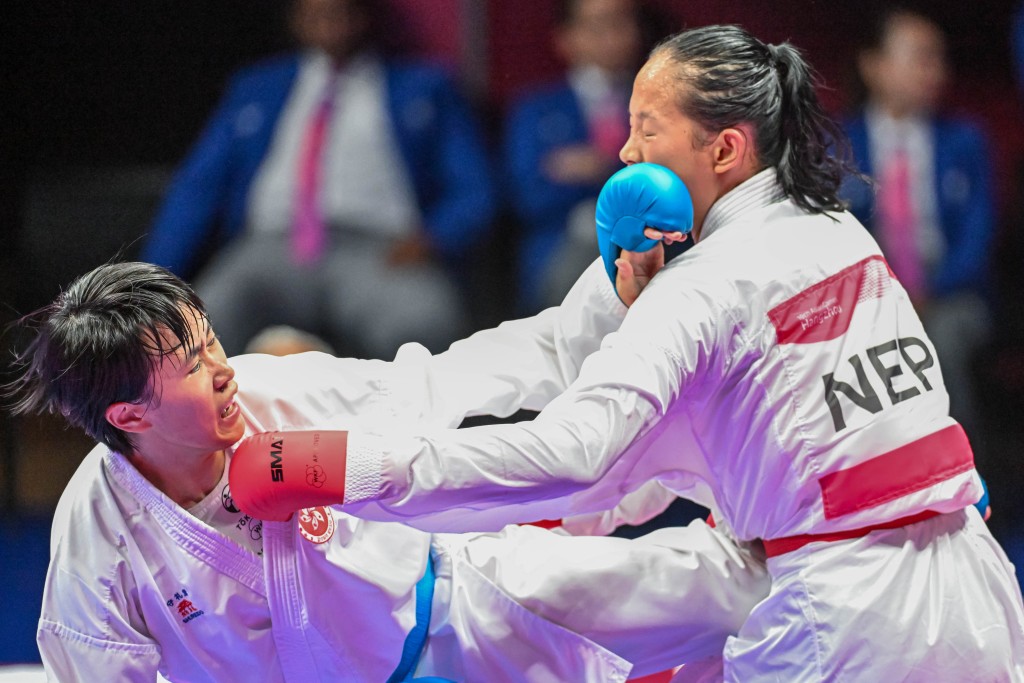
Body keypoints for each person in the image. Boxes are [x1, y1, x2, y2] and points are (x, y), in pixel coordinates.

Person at [233, 25, 1024, 681]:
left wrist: (342, 466)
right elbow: (709, 432)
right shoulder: (841, 233)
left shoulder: (706, 282)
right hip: (976, 589)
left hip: (849, 619)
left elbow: (573, 453)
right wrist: (632, 313)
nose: (625, 153)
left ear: (724, 150)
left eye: (648, 128)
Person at [6, 260, 769, 682]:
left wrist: (605, 300)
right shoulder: (98, 540)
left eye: (212, 342)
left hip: (465, 608)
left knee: (733, 592)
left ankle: (793, 505)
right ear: (129, 415)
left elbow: (442, 381)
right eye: (191, 364)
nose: (223, 369)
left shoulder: (279, 395)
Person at [141, 0, 495, 360]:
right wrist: (152, 277)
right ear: (295, 19)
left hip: (378, 249)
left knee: (423, 327)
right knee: (191, 331)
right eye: (314, 11)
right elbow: (198, 187)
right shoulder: (256, 88)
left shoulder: (423, 87)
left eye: (340, 10)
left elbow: (474, 188)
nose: (329, 20)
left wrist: (435, 237)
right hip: (271, 246)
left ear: (364, 16)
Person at [840, 7, 995, 440]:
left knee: (938, 339)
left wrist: (927, 292)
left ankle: (961, 476)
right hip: (866, 298)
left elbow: (977, 236)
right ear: (874, 66)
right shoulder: (837, 144)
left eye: (939, 58)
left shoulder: (965, 139)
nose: (936, 72)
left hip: (950, 294)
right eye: (921, 57)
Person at [503, 0, 647, 312]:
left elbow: (675, 187)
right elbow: (527, 196)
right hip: (559, 252)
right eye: (596, 26)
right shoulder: (535, 109)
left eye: (620, 23)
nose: (610, 36)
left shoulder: (666, 107)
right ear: (565, 38)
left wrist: (600, 168)